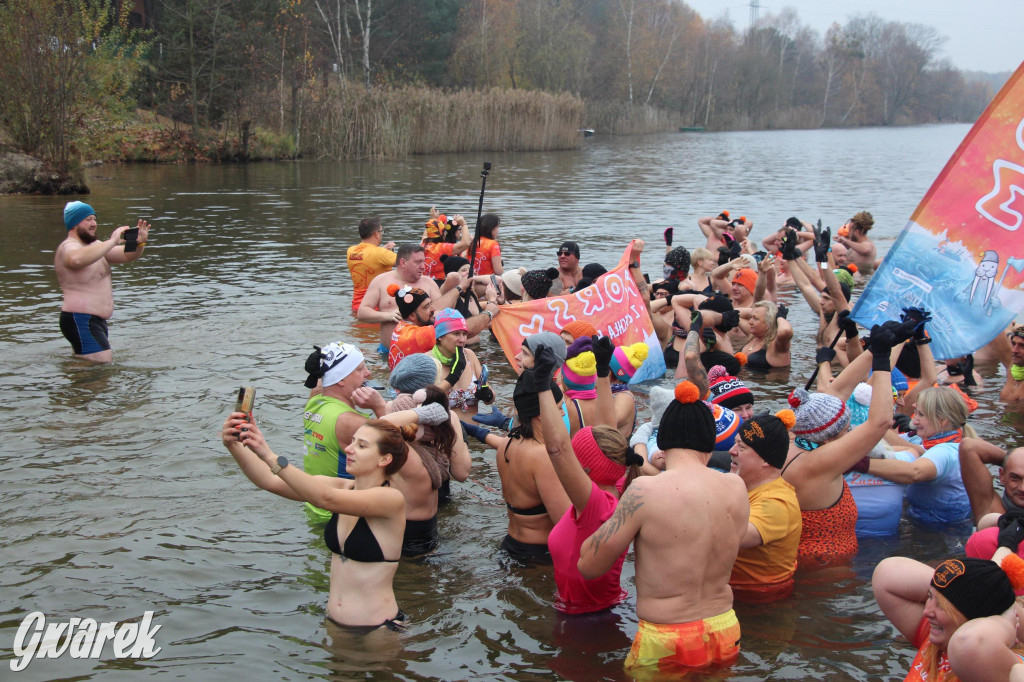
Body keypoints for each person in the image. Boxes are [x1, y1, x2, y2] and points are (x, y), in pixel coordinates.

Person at [578, 380, 749, 675]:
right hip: (724, 628)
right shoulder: (736, 487)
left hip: (668, 637)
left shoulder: (645, 491)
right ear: (710, 442)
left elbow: (589, 565)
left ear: (664, 442)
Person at [222, 412, 408, 630]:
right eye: (351, 442)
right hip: (334, 624)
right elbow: (269, 480)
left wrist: (269, 454)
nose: (348, 449)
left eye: (362, 445)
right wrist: (234, 444)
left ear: (384, 459)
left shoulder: (390, 499)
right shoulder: (341, 486)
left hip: (378, 629)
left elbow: (323, 499)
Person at [533, 342, 643, 613]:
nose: (572, 458)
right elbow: (607, 431)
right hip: (600, 608)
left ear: (587, 470)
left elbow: (557, 450)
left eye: (577, 454)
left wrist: (544, 386)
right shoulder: (615, 482)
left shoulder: (596, 505)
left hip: (587, 622)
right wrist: (603, 371)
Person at [781, 324, 899, 567]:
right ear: (829, 437)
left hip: (808, 556)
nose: (851, 434)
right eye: (847, 429)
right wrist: (882, 359)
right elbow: (881, 422)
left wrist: (874, 350)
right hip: (824, 565)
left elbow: (837, 391)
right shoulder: (821, 461)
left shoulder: (796, 440)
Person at [873, 541, 1024, 681]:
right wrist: (980, 581)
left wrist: (1008, 617)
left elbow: (968, 643)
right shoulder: (936, 638)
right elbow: (887, 574)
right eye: (929, 597)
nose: (927, 611)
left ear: (976, 618)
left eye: (941, 606)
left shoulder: (1004, 667)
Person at [493, 333, 571, 561]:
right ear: (541, 414)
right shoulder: (542, 457)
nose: (563, 413)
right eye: (558, 409)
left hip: (510, 546)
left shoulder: (506, 444)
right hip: (538, 555)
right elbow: (566, 522)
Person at [55, 201, 152, 363]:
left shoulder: (96, 246)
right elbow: (76, 259)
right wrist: (113, 241)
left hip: (93, 320)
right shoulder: (69, 247)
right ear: (74, 223)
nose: (94, 224)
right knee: (98, 367)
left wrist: (139, 243)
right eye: (88, 220)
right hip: (80, 318)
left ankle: (74, 387)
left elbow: (127, 255)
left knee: (86, 367)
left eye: (94, 219)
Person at [300, 342, 388, 520]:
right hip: (340, 514)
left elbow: (322, 378)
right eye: (360, 369)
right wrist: (379, 407)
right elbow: (397, 455)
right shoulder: (352, 422)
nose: (368, 373)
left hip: (314, 507)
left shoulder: (315, 400)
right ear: (340, 379)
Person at [865, 386, 975, 526]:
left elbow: (914, 473)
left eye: (920, 415)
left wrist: (859, 463)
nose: (914, 421)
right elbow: (882, 441)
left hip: (944, 536)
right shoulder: (920, 439)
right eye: (915, 413)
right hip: (918, 522)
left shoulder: (948, 451)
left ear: (942, 421)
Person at [385, 386, 471, 556]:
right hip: (429, 538)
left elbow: (379, 426)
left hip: (406, 546)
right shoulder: (433, 454)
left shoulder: (409, 459)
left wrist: (418, 414)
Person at [728, 411, 802, 601]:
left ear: (766, 460)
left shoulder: (776, 504)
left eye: (741, 447)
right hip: (735, 593)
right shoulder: (744, 485)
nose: (731, 450)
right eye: (735, 442)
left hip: (760, 603)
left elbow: (731, 536)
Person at [358, 244, 455, 351]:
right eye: (418, 262)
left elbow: (442, 314)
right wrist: (387, 316)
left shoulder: (429, 283)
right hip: (389, 352)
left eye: (423, 261)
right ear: (403, 262)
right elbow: (362, 312)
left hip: (425, 353)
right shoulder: (381, 281)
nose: (423, 266)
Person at [387, 283, 499, 370]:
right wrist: (489, 313)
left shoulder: (402, 326)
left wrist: (460, 288)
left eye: (430, 303)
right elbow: (464, 329)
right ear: (411, 315)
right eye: (426, 306)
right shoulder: (419, 335)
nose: (432, 309)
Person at [432, 308, 494, 419]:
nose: (462, 340)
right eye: (456, 334)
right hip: (447, 435)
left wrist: (487, 395)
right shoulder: (428, 361)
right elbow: (422, 401)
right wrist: (454, 375)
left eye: (464, 334)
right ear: (440, 336)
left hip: (474, 434)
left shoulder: (469, 355)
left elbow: (490, 399)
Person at [346, 217, 396, 315]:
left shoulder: (351, 251)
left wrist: (383, 249)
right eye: (382, 231)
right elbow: (407, 263)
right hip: (377, 308)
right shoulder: (381, 253)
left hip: (358, 307)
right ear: (376, 234)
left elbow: (368, 255)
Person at [737, 301, 793, 370]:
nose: (750, 322)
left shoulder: (777, 346)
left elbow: (786, 331)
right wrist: (756, 311)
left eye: (755, 319)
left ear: (769, 323)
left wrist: (780, 317)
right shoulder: (753, 336)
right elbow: (734, 313)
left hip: (765, 380)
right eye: (751, 317)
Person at [422, 212, 471, 284]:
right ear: (443, 234)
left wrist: (434, 219)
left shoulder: (422, 245)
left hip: (424, 282)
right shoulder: (443, 248)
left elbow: (426, 234)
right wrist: (463, 224)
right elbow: (466, 243)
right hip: (440, 284)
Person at [1000, 327, 1024, 402]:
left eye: (1022, 345)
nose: (1014, 350)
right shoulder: (1013, 364)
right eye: (1013, 344)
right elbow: (1002, 330)